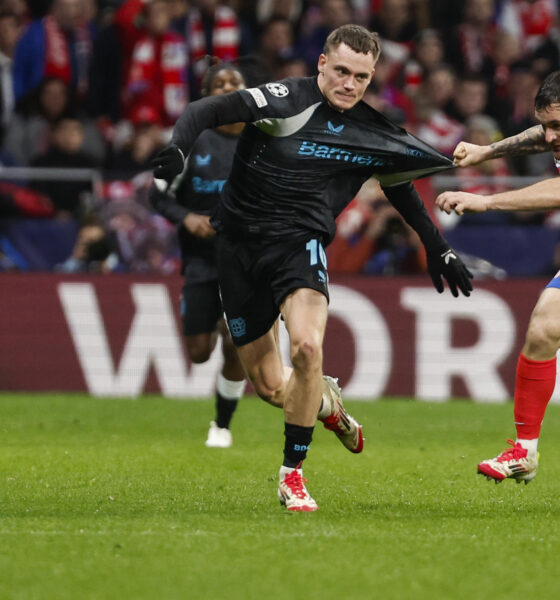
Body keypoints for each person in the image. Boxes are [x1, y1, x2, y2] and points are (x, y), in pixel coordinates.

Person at [152, 24, 473, 511]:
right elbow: (207, 109)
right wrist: (179, 145)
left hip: (299, 245)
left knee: (306, 346)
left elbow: (400, 184)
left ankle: (292, 475)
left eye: (361, 77)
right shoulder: (284, 99)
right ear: (321, 63)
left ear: (371, 78)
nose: (349, 84)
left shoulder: (370, 129)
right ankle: (327, 405)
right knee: (271, 387)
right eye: (341, 71)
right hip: (236, 249)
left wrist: (436, 245)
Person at [436, 69, 560, 485]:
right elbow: (535, 136)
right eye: (547, 124)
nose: (549, 137)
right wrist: (485, 153)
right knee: (544, 327)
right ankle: (523, 453)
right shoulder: (551, 132)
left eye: (558, 126)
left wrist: (485, 203)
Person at [151, 63, 247, 448]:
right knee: (199, 353)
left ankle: (222, 425)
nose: (227, 88)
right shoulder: (191, 141)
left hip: (245, 259)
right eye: (218, 84)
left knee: (238, 339)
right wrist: (186, 217)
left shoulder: (264, 137)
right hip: (201, 260)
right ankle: (204, 316)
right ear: (206, 96)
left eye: (234, 83)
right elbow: (155, 194)